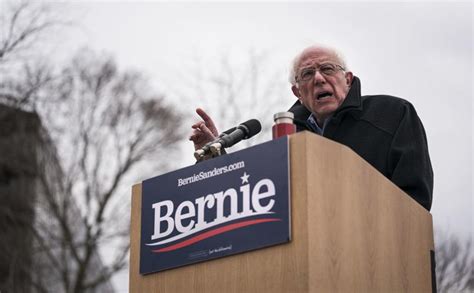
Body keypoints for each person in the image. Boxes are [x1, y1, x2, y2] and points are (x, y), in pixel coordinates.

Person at [189, 45, 433, 211]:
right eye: (306, 74)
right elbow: (251, 200)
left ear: (347, 79)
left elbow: (415, 201)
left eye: (327, 69)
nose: (318, 78)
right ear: (297, 92)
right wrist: (214, 159)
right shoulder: (285, 139)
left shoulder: (393, 114)